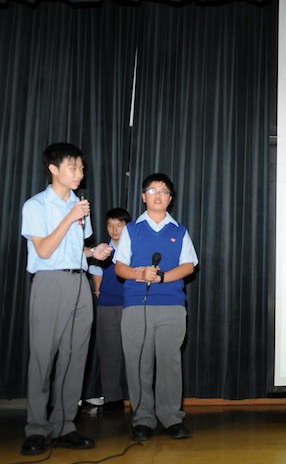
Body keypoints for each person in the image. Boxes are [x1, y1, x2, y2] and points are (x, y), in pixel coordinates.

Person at [20, 142, 113, 456]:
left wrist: (93, 251)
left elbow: (73, 248)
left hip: (80, 283)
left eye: (81, 167)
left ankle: (64, 425)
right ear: (53, 169)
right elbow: (45, 250)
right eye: (73, 167)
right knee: (43, 359)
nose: (80, 173)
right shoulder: (36, 205)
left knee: (75, 358)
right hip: (49, 283)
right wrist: (70, 218)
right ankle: (36, 429)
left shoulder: (79, 204)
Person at [113, 173, 198, 442]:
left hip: (172, 305)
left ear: (170, 199)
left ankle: (171, 418)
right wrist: (139, 274)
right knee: (139, 363)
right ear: (143, 196)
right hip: (136, 306)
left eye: (163, 191)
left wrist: (161, 277)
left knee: (170, 363)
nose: (158, 195)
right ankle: (142, 419)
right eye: (152, 190)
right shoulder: (131, 229)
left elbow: (188, 266)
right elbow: (120, 267)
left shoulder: (179, 230)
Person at [88, 207, 132, 412]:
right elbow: (96, 272)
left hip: (131, 305)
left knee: (135, 354)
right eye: (110, 225)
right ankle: (112, 399)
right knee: (108, 353)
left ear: (127, 226)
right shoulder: (102, 250)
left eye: (119, 225)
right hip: (107, 306)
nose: (114, 230)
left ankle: (138, 399)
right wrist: (98, 289)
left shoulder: (134, 248)